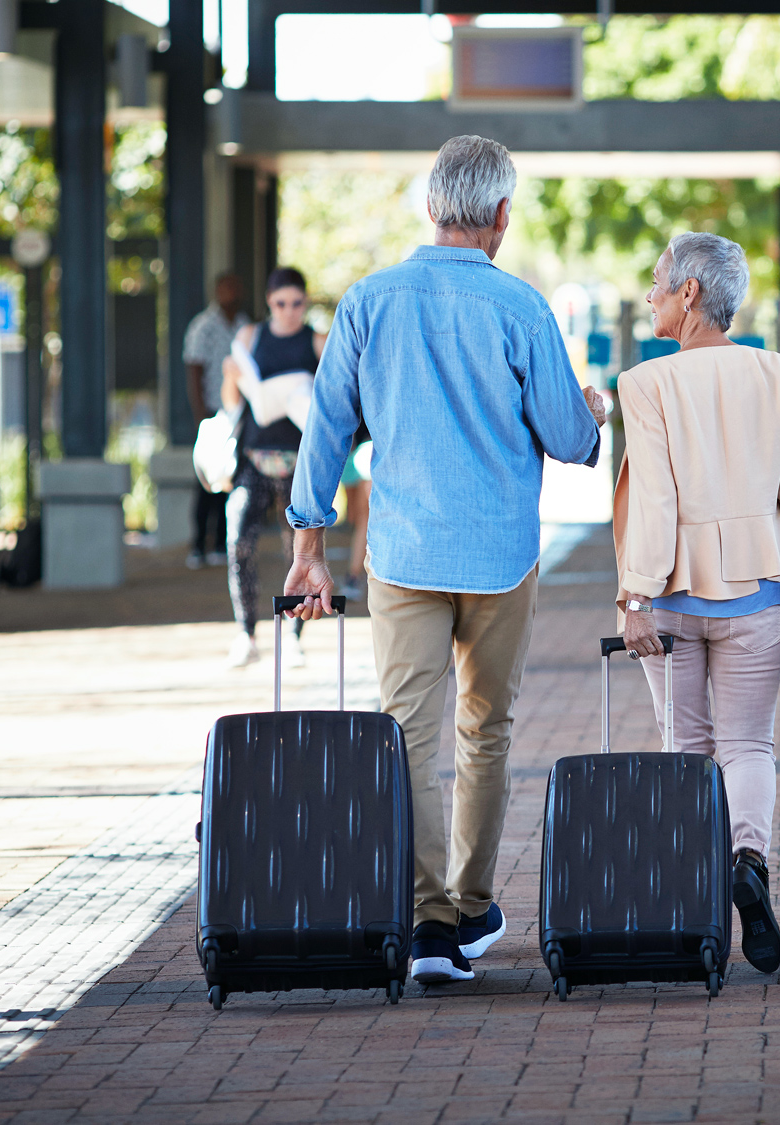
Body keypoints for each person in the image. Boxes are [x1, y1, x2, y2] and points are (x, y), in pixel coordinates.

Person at [282, 135, 607, 985]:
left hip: (402, 552)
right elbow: (572, 441)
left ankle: (426, 925)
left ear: (431, 209)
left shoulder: (368, 300)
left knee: (409, 738)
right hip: (501, 555)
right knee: (484, 730)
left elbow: (325, 428)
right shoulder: (523, 308)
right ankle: (467, 907)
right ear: (501, 217)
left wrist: (308, 544)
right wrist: (595, 406)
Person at [613, 232, 780, 975]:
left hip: (672, 592)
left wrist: (634, 596)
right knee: (748, 744)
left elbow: (655, 501)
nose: (651, 295)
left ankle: (695, 907)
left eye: (658, 281)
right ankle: (750, 862)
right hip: (756, 589)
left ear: (690, 293)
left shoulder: (645, 384)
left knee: (688, 747)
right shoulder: (779, 373)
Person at [220, 266, 326, 669]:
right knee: (238, 539)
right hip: (254, 458)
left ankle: (293, 635)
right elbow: (231, 400)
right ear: (269, 302)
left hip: (298, 462)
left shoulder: (317, 341)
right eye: (281, 304)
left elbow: (335, 396)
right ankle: (246, 632)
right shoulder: (251, 337)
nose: (289, 312)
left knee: (296, 548)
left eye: (297, 303)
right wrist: (233, 376)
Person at [182, 273, 251, 569]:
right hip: (212, 412)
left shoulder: (245, 325)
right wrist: (201, 415)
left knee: (231, 478)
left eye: (235, 287)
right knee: (206, 480)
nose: (230, 293)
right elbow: (194, 369)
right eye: (226, 288)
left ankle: (221, 543)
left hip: (238, 414)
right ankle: (198, 544)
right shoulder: (203, 326)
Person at [337, 431, 372, 602]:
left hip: (363, 451)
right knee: (359, 519)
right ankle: (354, 576)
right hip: (357, 453)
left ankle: (354, 576)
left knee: (362, 520)